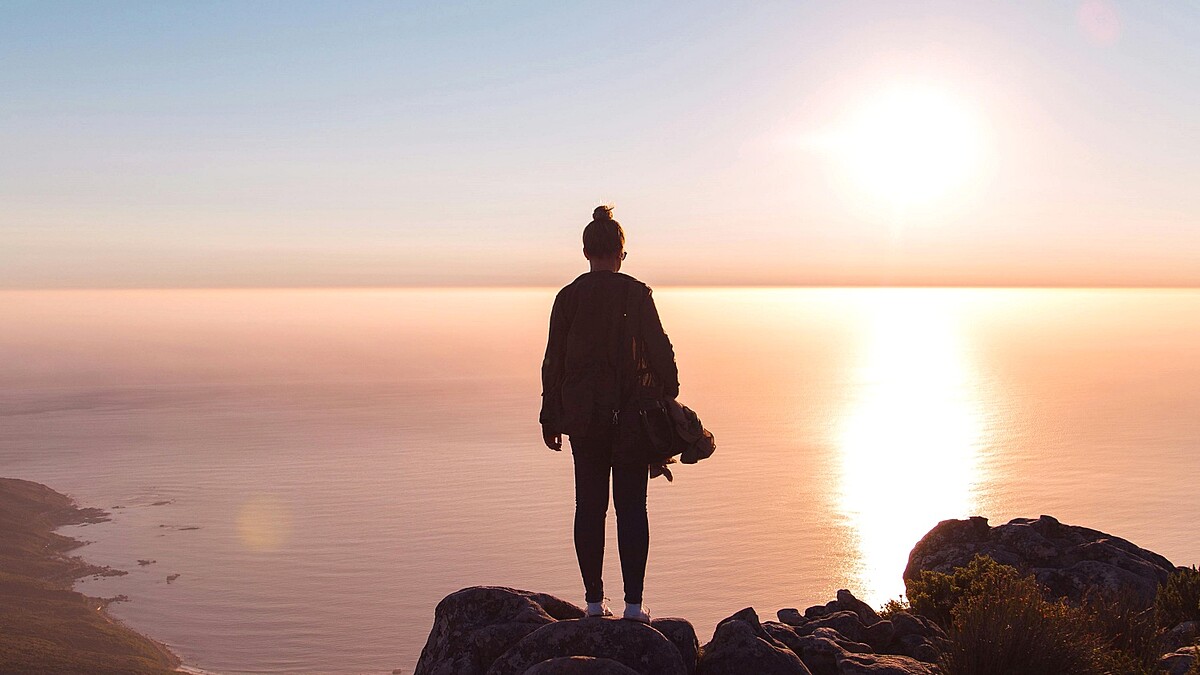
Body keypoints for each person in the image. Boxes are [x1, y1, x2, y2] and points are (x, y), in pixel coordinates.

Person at [539, 204, 680, 624]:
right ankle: (634, 608)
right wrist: (669, 395)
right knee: (632, 509)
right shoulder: (637, 294)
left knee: (589, 508)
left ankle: (593, 604)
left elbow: (553, 362)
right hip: (633, 419)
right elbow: (661, 351)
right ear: (621, 253)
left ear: (586, 252)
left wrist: (551, 417)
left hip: (584, 420)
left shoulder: (568, 298)